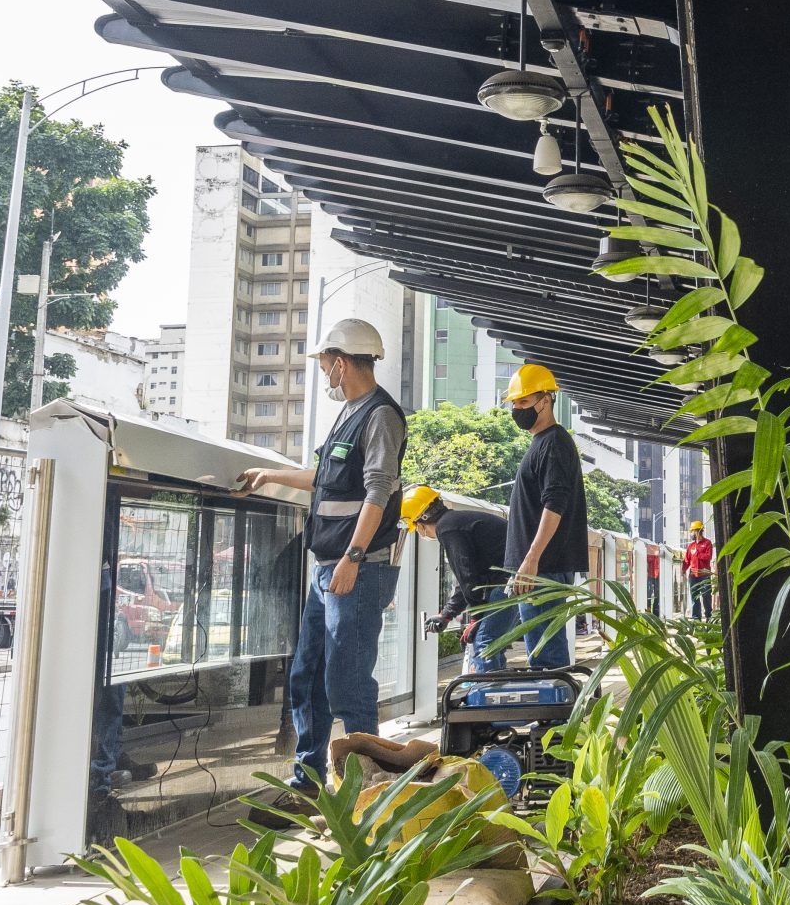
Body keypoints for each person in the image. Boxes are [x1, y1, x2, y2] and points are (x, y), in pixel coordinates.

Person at [231, 317, 407, 794]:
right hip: (326, 569)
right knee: (308, 675)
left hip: (356, 569)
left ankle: (367, 789)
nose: (324, 371)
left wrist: (353, 556)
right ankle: (308, 782)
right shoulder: (348, 413)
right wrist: (270, 475)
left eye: (326, 363)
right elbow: (325, 481)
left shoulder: (380, 416)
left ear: (342, 362)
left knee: (347, 680)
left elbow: (377, 490)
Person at [500, 362, 587, 669]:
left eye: (524, 401)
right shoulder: (544, 443)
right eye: (515, 403)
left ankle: (557, 715)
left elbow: (555, 503)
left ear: (546, 400)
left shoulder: (553, 443)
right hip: (539, 567)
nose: (518, 409)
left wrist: (531, 559)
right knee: (541, 647)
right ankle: (556, 713)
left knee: (544, 650)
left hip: (543, 567)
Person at [406, 484, 508, 673]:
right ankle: (496, 694)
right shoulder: (455, 522)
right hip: (512, 581)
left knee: (485, 644)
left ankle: (487, 695)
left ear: (420, 523)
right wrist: (446, 614)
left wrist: (475, 619)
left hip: (508, 584)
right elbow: (467, 580)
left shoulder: (447, 529)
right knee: (493, 644)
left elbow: (468, 579)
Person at [683, 520, 714, 620]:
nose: (691, 533)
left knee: (706, 596)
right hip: (693, 576)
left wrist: (697, 554)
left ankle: (709, 617)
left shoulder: (707, 543)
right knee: (694, 597)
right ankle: (696, 618)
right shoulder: (691, 546)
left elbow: (708, 557)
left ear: (697, 531)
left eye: (692, 531)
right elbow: (687, 560)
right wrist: (683, 570)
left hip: (704, 575)